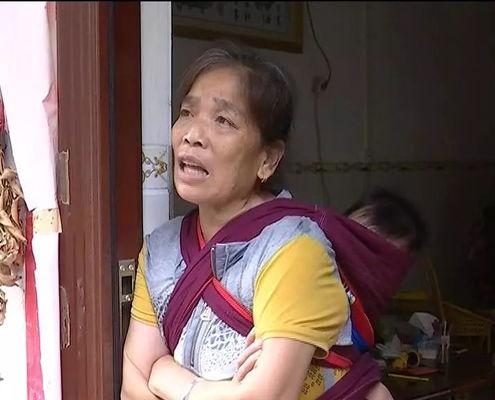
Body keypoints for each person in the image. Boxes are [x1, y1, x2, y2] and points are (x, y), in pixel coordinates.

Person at [121, 43, 411, 400]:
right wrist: (230, 391)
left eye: (223, 121)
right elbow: (133, 386)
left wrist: (172, 380)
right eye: (187, 112)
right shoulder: (161, 250)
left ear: (268, 160)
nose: (192, 134)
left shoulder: (294, 250)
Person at [234, 188, 428, 400]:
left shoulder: (360, 319)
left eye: (373, 250)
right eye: (354, 235)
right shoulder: (303, 264)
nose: (356, 252)